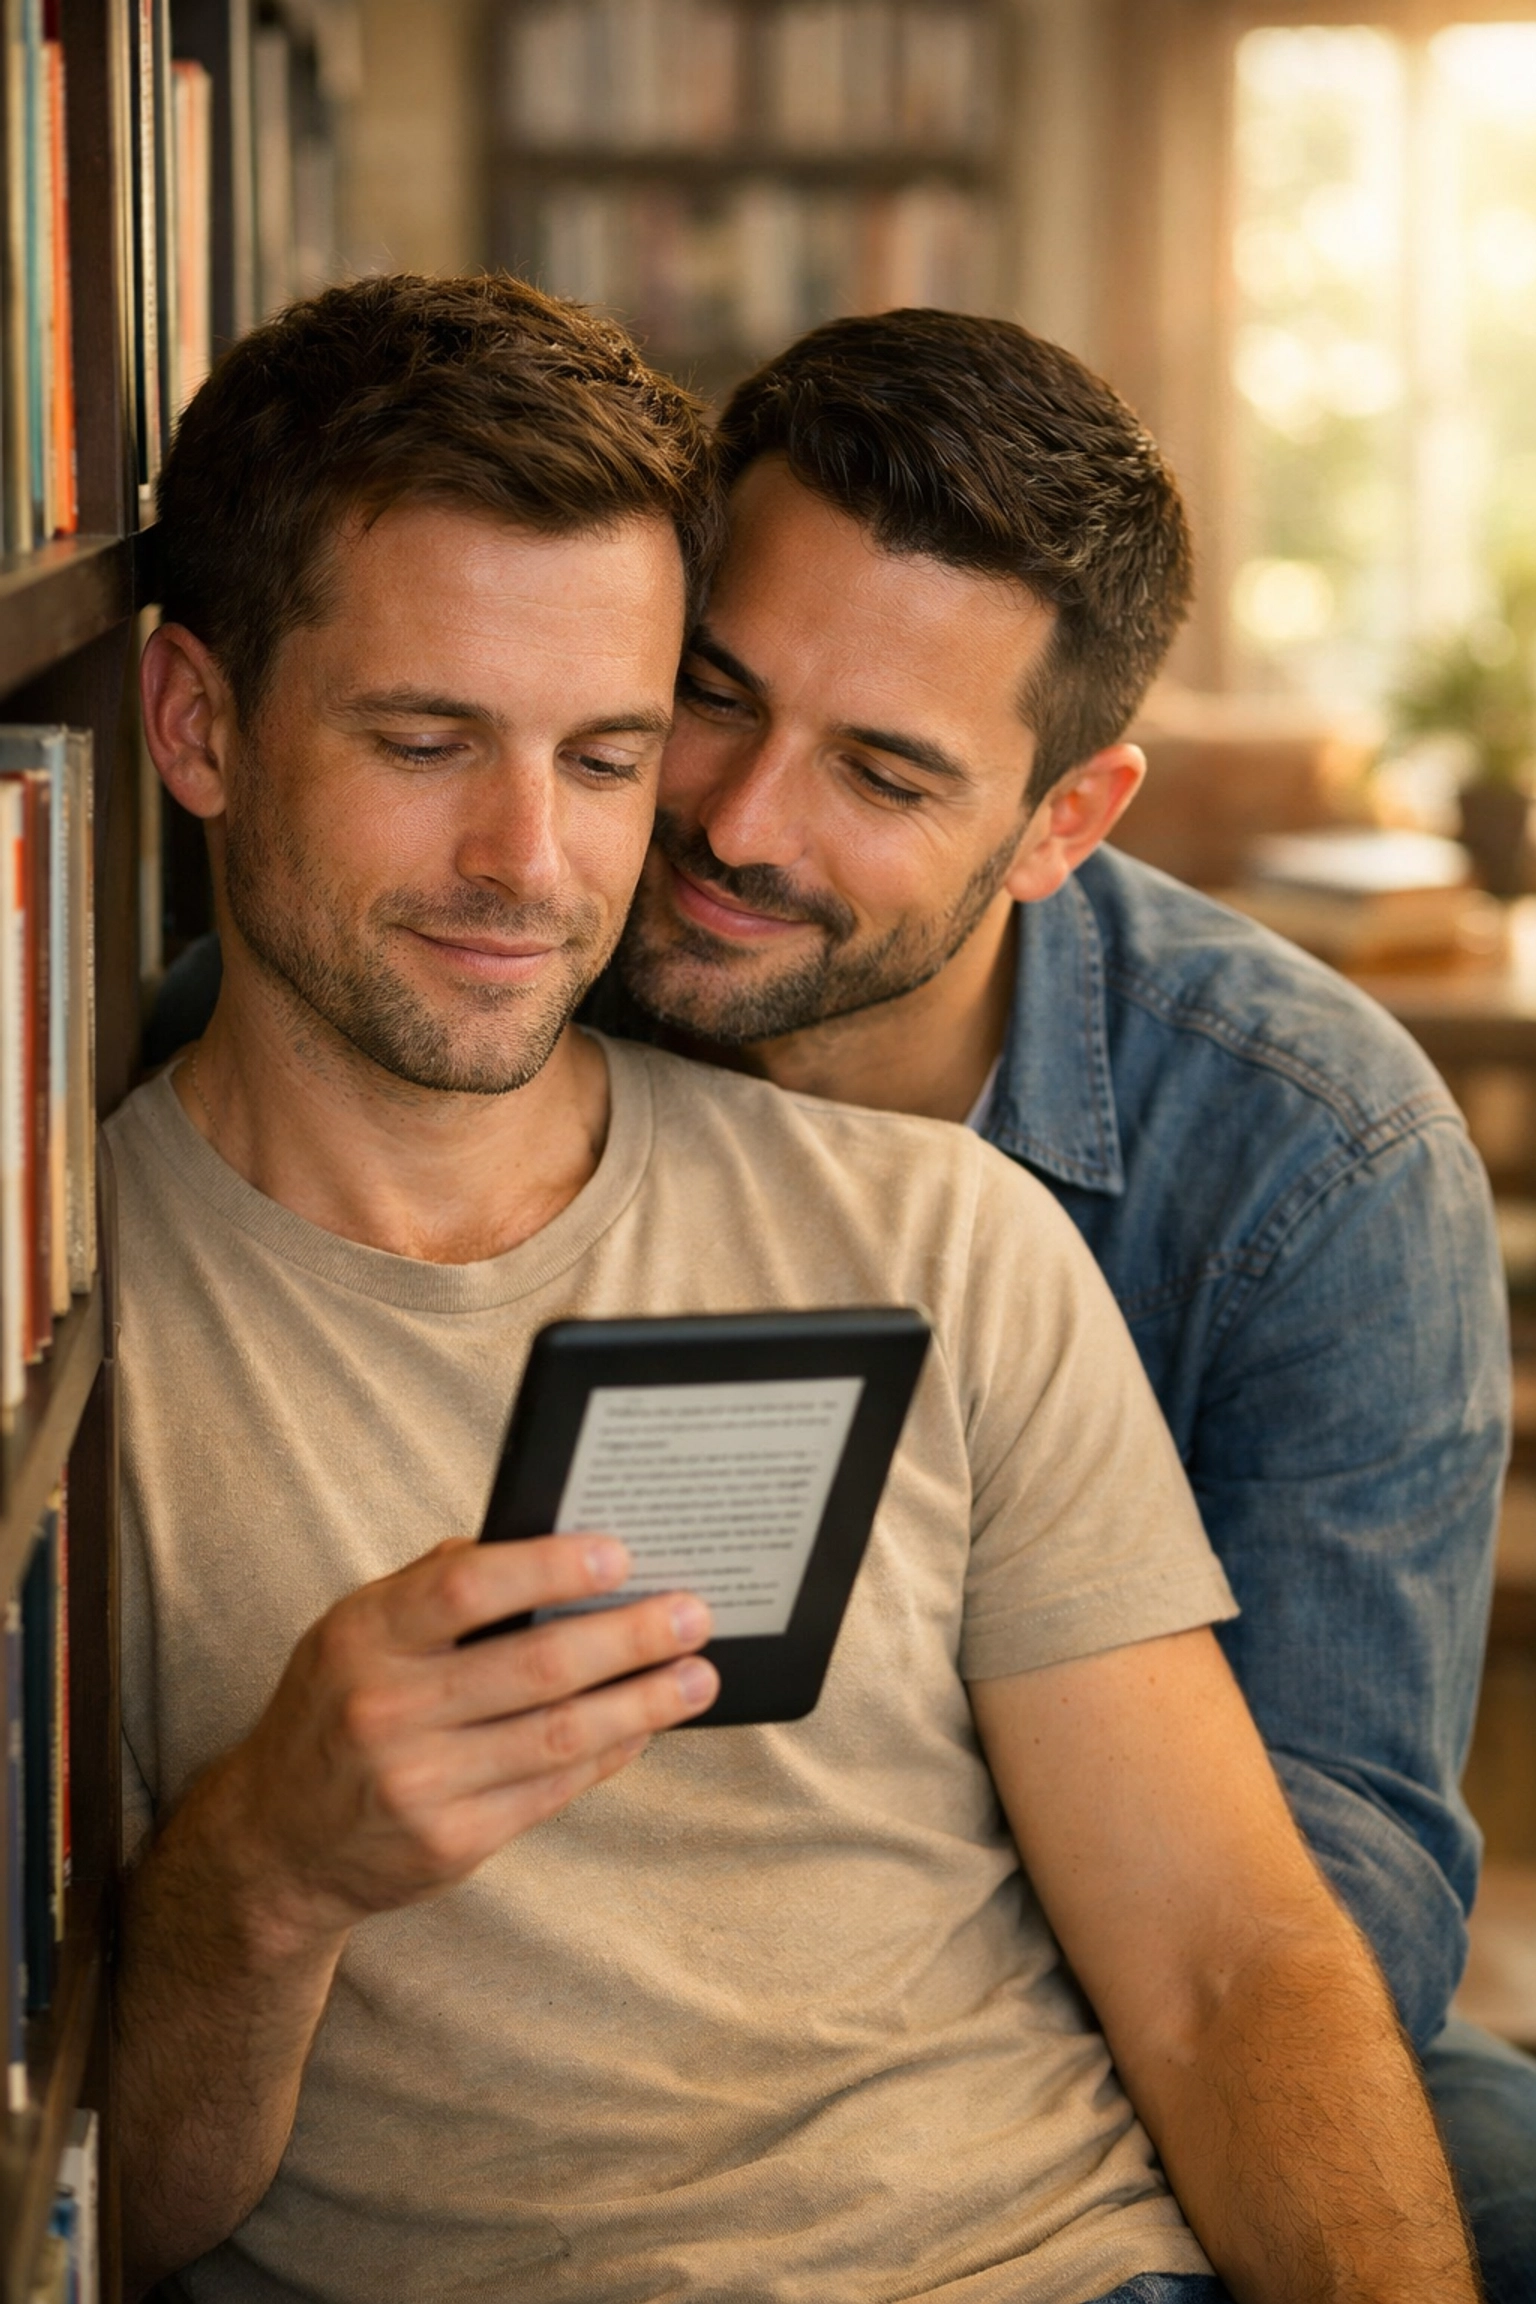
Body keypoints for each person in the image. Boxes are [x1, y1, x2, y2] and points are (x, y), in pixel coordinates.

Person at [116, 272, 1478, 2304]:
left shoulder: (1133, 1193)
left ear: (1058, 824)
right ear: (198, 724)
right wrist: (261, 1872)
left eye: (603, 753)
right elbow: (98, 2202)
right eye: (424, 739)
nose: (541, 859)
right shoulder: (91, 1299)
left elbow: (1249, 1951)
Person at [589, 309, 1531, 2297]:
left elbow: (1330, 1890)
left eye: (884, 773)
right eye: (711, 697)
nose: (740, 823)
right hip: (629, 2028)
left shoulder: (1315, 1157)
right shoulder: (485, 975)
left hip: (1120, 2005)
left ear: (1062, 824)